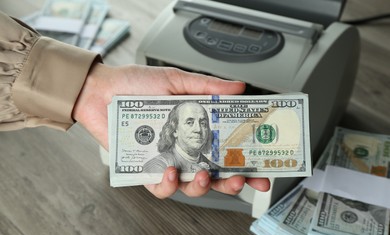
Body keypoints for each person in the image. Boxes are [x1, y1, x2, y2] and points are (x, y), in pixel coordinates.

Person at [0, 11, 270, 199]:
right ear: (173, 129)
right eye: (190, 121)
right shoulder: (155, 165)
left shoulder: (211, 162)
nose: (199, 128)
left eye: (203, 121)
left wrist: (87, 88)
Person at [143, 101, 221, 176]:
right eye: (189, 123)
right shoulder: (157, 166)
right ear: (174, 130)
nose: (198, 129)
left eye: (203, 123)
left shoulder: (217, 169)